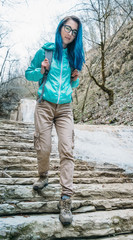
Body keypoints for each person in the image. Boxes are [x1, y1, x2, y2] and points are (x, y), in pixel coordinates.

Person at [25, 15, 85, 225]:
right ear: (60, 28)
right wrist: (41, 69)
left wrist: (75, 78)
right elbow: (29, 74)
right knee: (43, 146)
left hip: (65, 108)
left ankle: (66, 199)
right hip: (44, 105)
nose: (70, 33)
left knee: (67, 149)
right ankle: (43, 176)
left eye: (75, 31)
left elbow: (72, 85)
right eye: (68, 28)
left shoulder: (75, 56)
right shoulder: (46, 50)